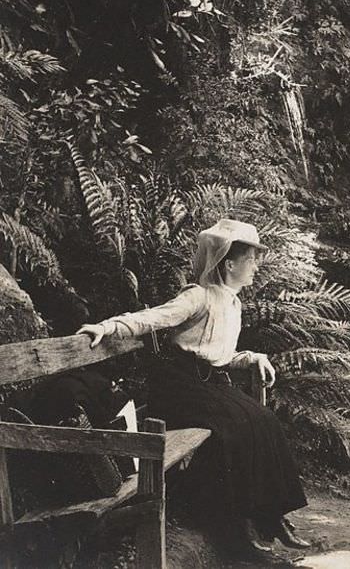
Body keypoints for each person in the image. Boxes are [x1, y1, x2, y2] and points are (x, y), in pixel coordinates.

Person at [76, 218, 309, 559]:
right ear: (229, 263)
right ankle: (236, 531)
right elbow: (154, 318)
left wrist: (252, 358)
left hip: (208, 383)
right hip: (178, 387)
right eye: (251, 259)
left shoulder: (233, 302)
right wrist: (109, 327)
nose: (256, 266)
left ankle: (270, 515)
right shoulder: (198, 296)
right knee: (233, 429)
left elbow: (219, 354)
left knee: (264, 420)